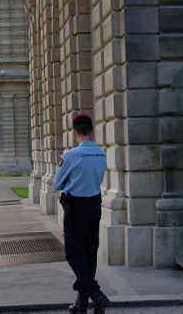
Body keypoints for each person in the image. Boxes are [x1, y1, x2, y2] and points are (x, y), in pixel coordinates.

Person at [54, 114, 110, 314]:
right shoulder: (102, 154)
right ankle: (81, 303)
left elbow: (57, 183)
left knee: (74, 254)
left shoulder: (69, 156)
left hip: (76, 208)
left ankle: (96, 294)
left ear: (75, 133)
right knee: (89, 253)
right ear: (91, 131)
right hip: (94, 205)